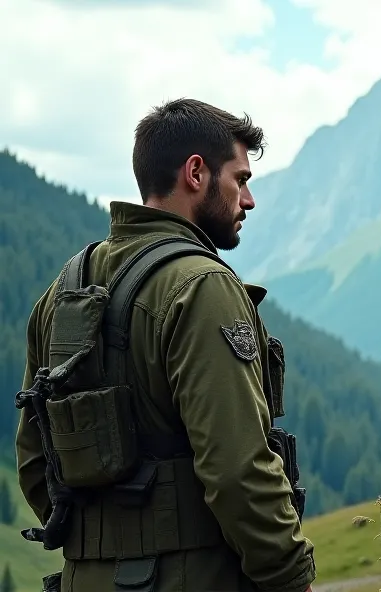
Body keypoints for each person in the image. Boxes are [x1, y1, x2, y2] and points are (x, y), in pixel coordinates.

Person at [14, 98, 316, 592]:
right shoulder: (201, 286)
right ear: (196, 172)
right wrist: (290, 577)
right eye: (240, 179)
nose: (249, 200)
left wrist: (109, 539)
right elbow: (238, 470)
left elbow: (34, 463)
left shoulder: (62, 290)